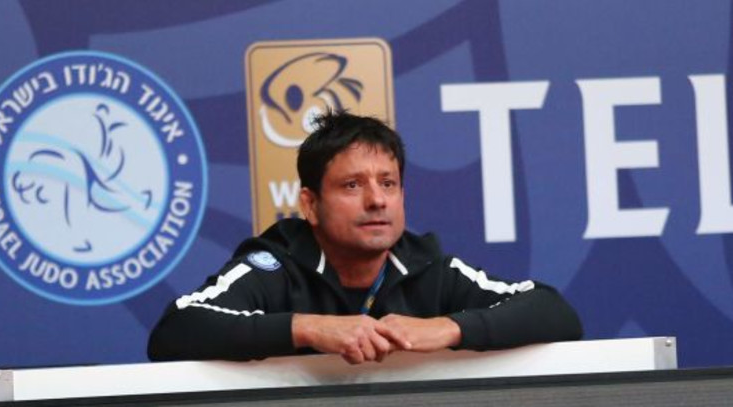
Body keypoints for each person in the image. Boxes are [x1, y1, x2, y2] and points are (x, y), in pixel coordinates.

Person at [148, 110, 582, 364]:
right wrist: (309, 328)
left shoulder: (428, 267)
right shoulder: (275, 265)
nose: (377, 200)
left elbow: (554, 311)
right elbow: (175, 330)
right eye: (352, 185)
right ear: (310, 204)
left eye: (388, 184)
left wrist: (448, 328)